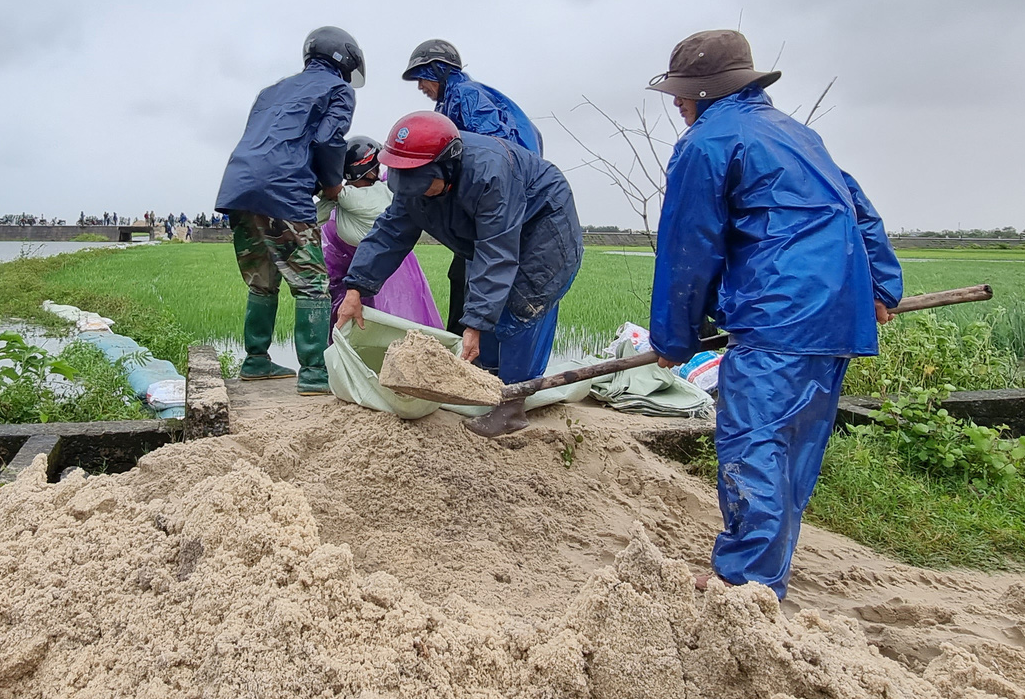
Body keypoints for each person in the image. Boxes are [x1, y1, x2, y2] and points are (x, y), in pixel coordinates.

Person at [644, 29, 901, 599]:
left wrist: (674, 336)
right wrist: (882, 287)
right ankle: (764, 573)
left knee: (755, 444)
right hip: (837, 316)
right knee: (794, 453)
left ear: (708, 92)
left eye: (683, 93)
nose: (678, 104)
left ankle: (746, 587)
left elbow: (690, 247)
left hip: (778, 316)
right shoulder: (798, 135)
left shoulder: (707, 143)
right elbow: (857, 209)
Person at [337, 111, 582, 437]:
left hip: (543, 224)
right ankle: (488, 382)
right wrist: (355, 288)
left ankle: (512, 405)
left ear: (447, 167)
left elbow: (496, 254)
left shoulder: (489, 174)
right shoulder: (416, 185)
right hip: (495, 230)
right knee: (486, 303)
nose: (418, 191)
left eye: (424, 185)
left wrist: (475, 324)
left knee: (523, 303)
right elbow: (389, 233)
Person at [214, 26, 363, 395]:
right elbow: (329, 139)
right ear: (344, 59)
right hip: (284, 187)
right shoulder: (337, 89)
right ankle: (313, 371)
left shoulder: (270, 91)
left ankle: (256, 360)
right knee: (312, 283)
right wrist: (332, 184)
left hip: (240, 187)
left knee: (262, 280)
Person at [400, 39, 543, 351]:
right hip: (479, 204)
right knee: (462, 274)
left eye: (423, 78)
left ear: (437, 70)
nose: (421, 87)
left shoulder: (468, 95)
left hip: (496, 202)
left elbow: (494, 152)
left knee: (476, 273)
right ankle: (463, 349)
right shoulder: (449, 102)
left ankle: (471, 355)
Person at [318, 136, 441, 328]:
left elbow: (330, 190)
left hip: (383, 268)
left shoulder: (363, 197)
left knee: (390, 322)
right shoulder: (380, 190)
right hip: (379, 266)